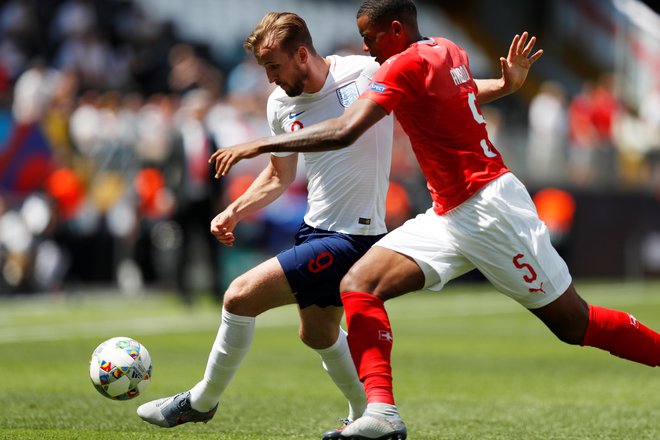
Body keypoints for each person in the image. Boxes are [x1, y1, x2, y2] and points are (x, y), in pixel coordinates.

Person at [206, 1, 660, 439]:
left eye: (370, 38)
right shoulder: (448, 48)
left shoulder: (400, 65)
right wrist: (506, 86)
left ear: (396, 31)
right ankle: (380, 412)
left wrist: (261, 144)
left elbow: (345, 130)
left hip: (491, 210)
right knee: (358, 284)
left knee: (574, 325)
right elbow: (456, 92)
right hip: (448, 213)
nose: (367, 49)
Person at [137, 9, 536, 434]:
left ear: (303, 54)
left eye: (274, 66)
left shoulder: (364, 71)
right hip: (315, 229)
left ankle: (202, 400)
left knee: (238, 296)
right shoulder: (279, 104)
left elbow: (442, 92)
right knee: (317, 333)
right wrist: (235, 210)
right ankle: (372, 414)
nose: (269, 78)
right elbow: (278, 175)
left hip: (356, 236)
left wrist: (507, 86)